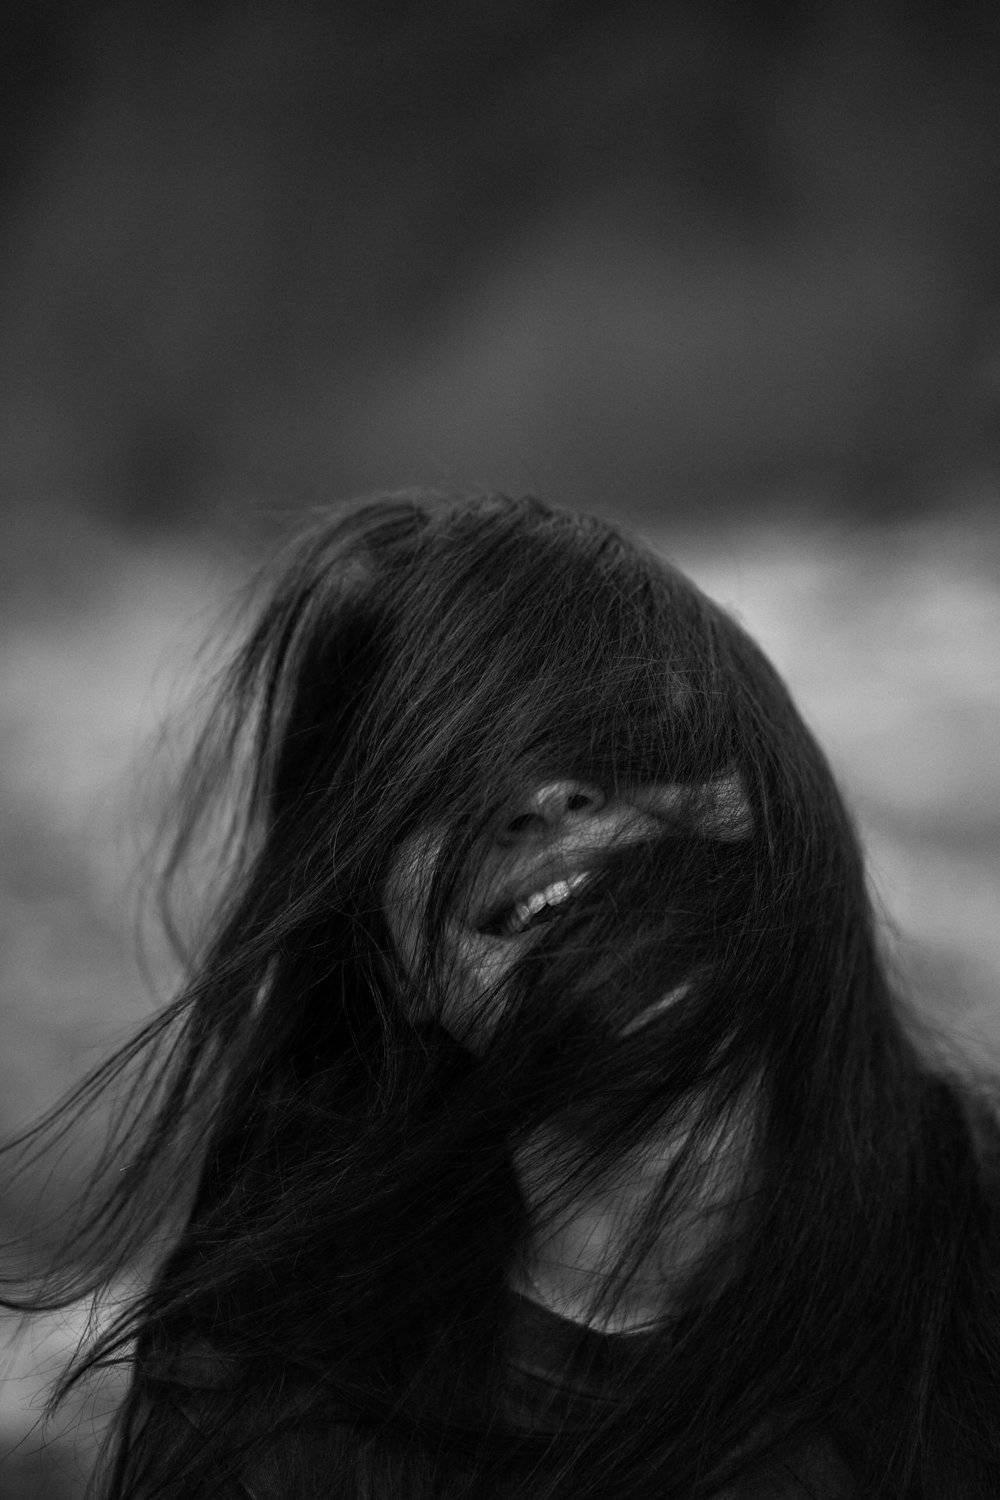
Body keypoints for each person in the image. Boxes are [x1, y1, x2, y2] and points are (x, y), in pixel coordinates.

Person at [3, 489, 999, 1498]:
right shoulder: (275, 1416)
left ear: (776, 799)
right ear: (395, 972)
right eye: (444, 782)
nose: (542, 796)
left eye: (625, 728)